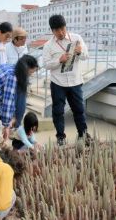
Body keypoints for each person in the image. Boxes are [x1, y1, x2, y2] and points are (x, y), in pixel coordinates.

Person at [43, 14, 90, 146]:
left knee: (79, 109)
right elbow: (46, 64)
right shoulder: (48, 45)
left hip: (75, 81)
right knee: (58, 111)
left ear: (65, 27)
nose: (61, 32)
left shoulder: (77, 38)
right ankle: (60, 137)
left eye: (63, 29)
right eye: (57, 30)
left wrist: (80, 52)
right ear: (52, 31)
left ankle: (83, 134)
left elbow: (86, 56)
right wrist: (59, 60)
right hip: (58, 83)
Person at [0, 55, 39, 154]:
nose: (30, 76)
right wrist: (6, 125)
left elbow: (15, 100)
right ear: (26, 69)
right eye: (30, 73)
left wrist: (10, 122)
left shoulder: (14, 70)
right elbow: (8, 101)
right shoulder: (13, 76)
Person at [6, 27, 29, 129]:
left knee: (21, 106)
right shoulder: (6, 48)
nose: (24, 40)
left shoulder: (25, 48)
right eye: (22, 38)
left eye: (25, 38)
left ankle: (17, 127)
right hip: (10, 81)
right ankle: (8, 127)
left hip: (23, 80)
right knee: (10, 105)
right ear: (15, 39)